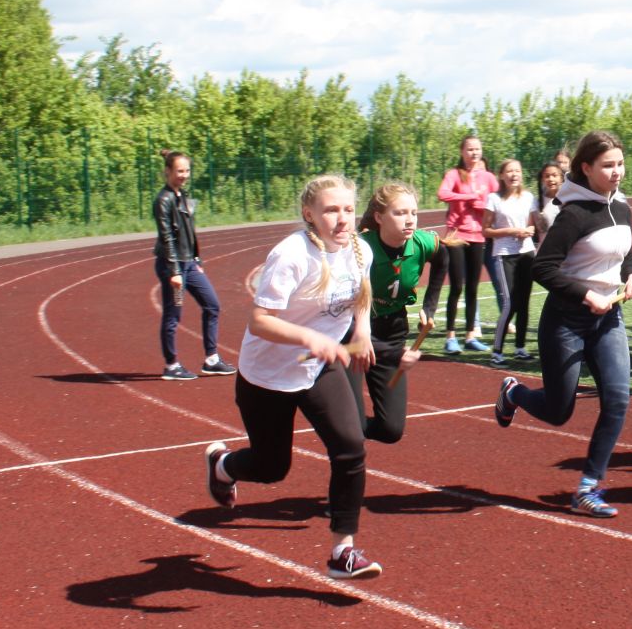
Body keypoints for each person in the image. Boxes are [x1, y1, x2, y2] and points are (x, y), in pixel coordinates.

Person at [202, 176, 379, 579]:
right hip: (267, 376)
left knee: (351, 448)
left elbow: (360, 300)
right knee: (271, 467)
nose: (341, 219)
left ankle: (342, 552)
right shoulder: (292, 255)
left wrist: (363, 332)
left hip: (319, 367)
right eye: (331, 210)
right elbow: (260, 321)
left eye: (348, 210)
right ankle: (223, 465)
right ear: (309, 214)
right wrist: (311, 337)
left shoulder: (359, 250)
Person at [494, 131, 632, 518]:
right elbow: (542, 267)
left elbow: (624, 253)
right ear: (586, 168)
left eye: (620, 164)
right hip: (567, 321)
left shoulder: (621, 208)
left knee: (618, 399)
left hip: (609, 318)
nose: (616, 172)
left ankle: (588, 487)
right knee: (560, 411)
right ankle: (514, 394)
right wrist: (584, 294)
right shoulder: (573, 214)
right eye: (608, 166)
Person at [356, 181, 436, 444]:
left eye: (413, 212)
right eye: (400, 213)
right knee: (348, 428)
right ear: (379, 217)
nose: (410, 220)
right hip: (353, 333)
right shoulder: (359, 248)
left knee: (391, 430)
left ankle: (341, 424)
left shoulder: (423, 242)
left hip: (392, 331)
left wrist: (429, 305)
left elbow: (446, 258)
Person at [152, 150, 233, 381]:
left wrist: (197, 260)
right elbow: (167, 236)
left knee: (212, 305)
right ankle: (171, 365)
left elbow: (190, 233)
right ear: (168, 171)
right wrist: (175, 271)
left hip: (189, 264)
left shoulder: (182, 195)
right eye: (179, 171)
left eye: (187, 170)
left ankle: (211, 359)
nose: (184, 175)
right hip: (173, 267)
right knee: (173, 315)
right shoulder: (164, 200)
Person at [425, 134, 497, 353]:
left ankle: (470, 336)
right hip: (457, 235)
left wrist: (482, 203)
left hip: (478, 236)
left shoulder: (488, 177)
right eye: (470, 149)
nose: (474, 153)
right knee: (456, 285)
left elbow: (496, 200)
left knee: (473, 288)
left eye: (477, 149)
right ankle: (450, 337)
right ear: (462, 152)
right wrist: (467, 198)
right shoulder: (455, 174)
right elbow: (442, 193)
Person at [485, 158, 538, 364]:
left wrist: (528, 231)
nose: (514, 174)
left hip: (527, 253)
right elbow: (486, 230)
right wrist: (512, 231)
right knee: (510, 303)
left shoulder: (528, 197)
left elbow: (533, 226)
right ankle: (497, 351)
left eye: (517, 170)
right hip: (505, 254)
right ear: (501, 175)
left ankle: (520, 347)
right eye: (509, 171)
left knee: (524, 303)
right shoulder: (494, 199)